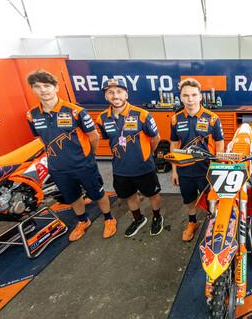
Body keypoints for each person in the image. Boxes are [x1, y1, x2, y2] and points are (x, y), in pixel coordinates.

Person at [25, 69, 116, 241]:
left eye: (47, 86)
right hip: (58, 167)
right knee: (73, 197)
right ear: (32, 89)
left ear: (56, 87)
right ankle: (83, 221)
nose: (43, 90)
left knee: (97, 193)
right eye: (37, 86)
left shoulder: (76, 111)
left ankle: (109, 218)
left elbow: (94, 136)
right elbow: (41, 139)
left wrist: (89, 155)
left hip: (83, 165)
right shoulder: (32, 115)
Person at [97, 78, 163, 237]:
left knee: (153, 194)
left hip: (144, 167)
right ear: (106, 96)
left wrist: (147, 154)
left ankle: (157, 217)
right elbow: (109, 139)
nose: (115, 96)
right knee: (129, 196)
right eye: (110, 92)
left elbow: (156, 138)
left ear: (126, 94)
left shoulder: (142, 115)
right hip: (120, 169)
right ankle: (138, 219)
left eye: (119, 91)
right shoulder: (102, 118)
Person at [170, 78, 224, 242]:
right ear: (181, 98)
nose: (190, 99)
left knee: (211, 200)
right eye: (186, 95)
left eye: (194, 95)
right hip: (185, 170)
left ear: (200, 96)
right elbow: (174, 144)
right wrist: (174, 170)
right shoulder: (175, 119)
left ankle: (213, 223)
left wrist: (218, 168)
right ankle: (192, 223)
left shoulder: (212, 118)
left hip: (207, 170)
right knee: (189, 199)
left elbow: (220, 144)